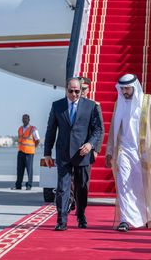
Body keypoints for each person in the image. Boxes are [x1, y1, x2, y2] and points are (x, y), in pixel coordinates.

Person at [105, 74, 151, 232]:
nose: (124, 91)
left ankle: (147, 217)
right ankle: (124, 220)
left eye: (127, 88)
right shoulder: (119, 104)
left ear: (134, 87)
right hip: (123, 150)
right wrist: (110, 151)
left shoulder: (147, 102)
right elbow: (113, 131)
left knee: (144, 187)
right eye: (122, 88)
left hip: (144, 152)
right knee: (123, 184)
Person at [44, 77, 104, 231]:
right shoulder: (57, 106)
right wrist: (47, 153)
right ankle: (61, 219)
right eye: (71, 91)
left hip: (82, 153)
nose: (74, 94)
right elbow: (51, 130)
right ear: (66, 90)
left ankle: (81, 214)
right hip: (63, 153)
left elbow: (98, 129)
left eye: (77, 91)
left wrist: (91, 145)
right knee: (63, 187)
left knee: (81, 187)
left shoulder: (90, 106)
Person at [67, 76, 104, 213]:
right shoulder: (70, 104)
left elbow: (100, 129)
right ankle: (70, 202)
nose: (80, 92)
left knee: (82, 181)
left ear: (88, 90)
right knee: (69, 179)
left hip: (86, 149)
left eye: (83, 89)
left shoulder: (93, 106)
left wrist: (95, 149)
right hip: (71, 148)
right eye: (79, 89)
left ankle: (80, 205)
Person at [12, 114, 40, 190]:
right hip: (20, 152)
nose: (24, 120)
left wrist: (33, 148)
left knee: (29, 169)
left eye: (26, 118)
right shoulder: (20, 129)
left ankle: (29, 185)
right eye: (23, 118)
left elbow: (37, 140)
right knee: (19, 169)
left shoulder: (33, 129)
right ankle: (18, 185)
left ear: (29, 120)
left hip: (29, 152)